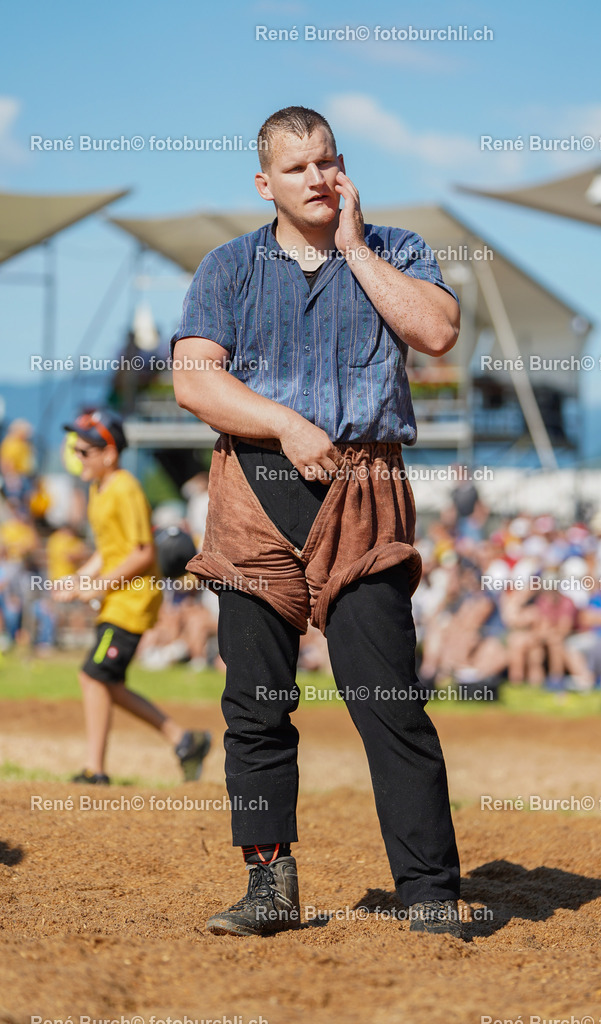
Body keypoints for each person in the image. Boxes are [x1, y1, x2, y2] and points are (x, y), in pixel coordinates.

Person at [171, 106, 462, 937]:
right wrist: (286, 425)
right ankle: (269, 886)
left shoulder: (397, 247)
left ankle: (428, 892)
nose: (317, 178)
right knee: (254, 704)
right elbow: (194, 380)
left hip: (363, 489)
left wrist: (356, 250)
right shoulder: (228, 266)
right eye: (297, 167)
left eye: (327, 161)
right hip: (254, 487)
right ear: (265, 183)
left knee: (388, 700)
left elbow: (435, 331)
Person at [54, 410, 211, 784]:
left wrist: (99, 585)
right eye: (76, 450)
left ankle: (95, 770)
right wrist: (80, 577)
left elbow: (142, 553)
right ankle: (184, 740)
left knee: (93, 676)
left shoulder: (125, 488)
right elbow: (109, 550)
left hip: (133, 601)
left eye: (85, 451)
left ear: (110, 453)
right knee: (107, 681)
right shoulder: (98, 489)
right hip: (117, 599)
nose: (77, 457)